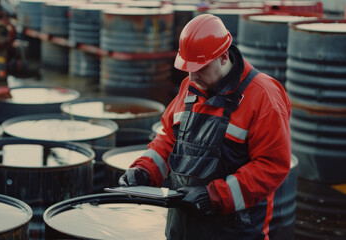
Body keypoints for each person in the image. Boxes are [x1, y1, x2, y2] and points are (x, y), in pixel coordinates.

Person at [118, 14, 291, 240]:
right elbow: (168, 140)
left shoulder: (263, 97)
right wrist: (144, 171)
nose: (192, 75)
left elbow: (272, 166)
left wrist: (215, 196)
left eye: (200, 67)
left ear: (223, 56)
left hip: (234, 231)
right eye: (187, 68)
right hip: (183, 228)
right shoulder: (189, 87)